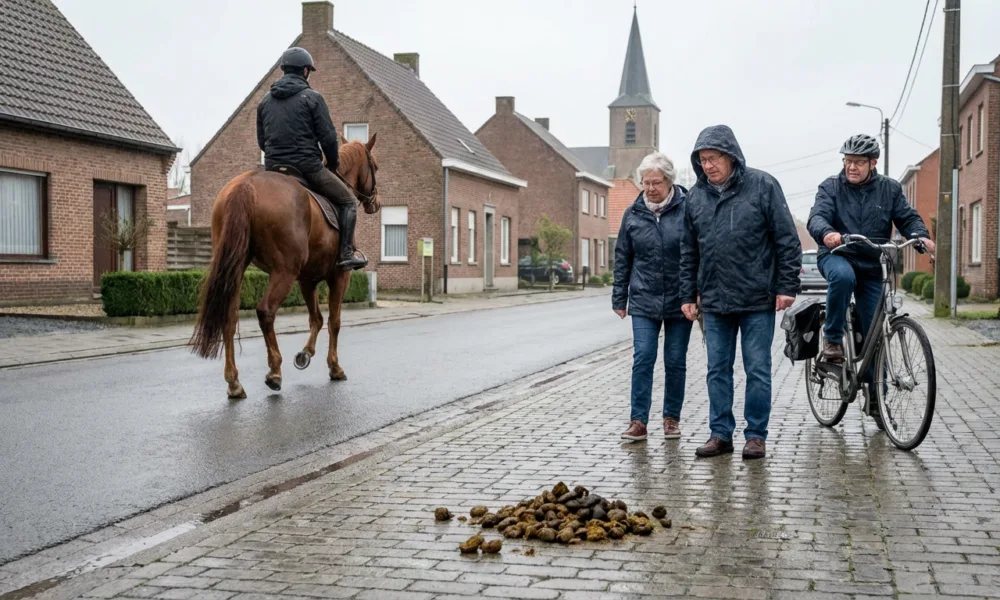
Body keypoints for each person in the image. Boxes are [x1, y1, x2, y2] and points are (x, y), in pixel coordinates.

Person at [679, 125, 802, 460]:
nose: (708, 166)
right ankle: (720, 434)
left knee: (757, 369)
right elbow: (688, 250)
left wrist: (787, 286)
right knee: (717, 370)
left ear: (731, 156)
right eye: (702, 160)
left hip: (756, 298)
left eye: (714, 158)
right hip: (714, 300)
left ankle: (756, 436)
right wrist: (687, 294)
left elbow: (786, 239)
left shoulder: (763, 186)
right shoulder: (695, 198)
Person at [807, 133, 934, 425]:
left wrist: (920, 236)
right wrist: (827, 233)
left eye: (859, 162)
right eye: (848, 161)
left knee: (877, 332)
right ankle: (833, 340)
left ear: (872, 163)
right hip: (838, 254)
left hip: (873, 262)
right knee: (842, 277)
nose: (851, 167)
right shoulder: (831, 187)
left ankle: (877, 401)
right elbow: (818, 217)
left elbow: (907, 218)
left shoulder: (889, 189)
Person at [256, 47, 367, 270]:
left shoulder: (265, 102)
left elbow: (261, 142)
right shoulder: (313, 98)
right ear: (305, 71)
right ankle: (346, 254)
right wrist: (333, 163)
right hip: (307, 167)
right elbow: (328, 138)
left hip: (273, 169)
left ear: (284, 69)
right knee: (348, 201)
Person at [613, 152, 693, 442]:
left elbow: (696, 253)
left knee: (675, 360)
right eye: (645, 183)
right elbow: (622, 256)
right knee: (643, 357)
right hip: (644, 298)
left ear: (669, 181)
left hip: (680, 299)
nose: (650, 188)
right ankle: (638, 421)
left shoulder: (687, 210)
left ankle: (671, 418)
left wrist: (695, 294)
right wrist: (619, 298)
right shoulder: (633, 214)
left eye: (656, 183)